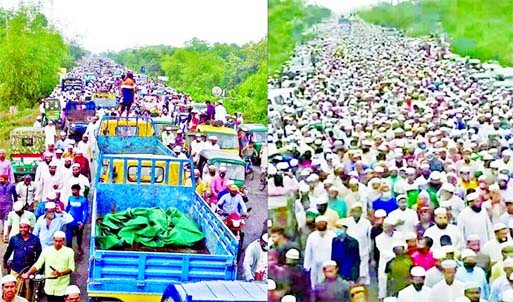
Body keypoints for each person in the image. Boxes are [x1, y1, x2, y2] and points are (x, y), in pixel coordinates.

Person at [21, 231, 75, 302]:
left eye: (60, 241)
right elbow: (38, 264)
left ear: (64, 241)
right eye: (56, 241)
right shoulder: (46, 250)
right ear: (53, 240)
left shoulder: (69, 251)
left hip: (62, 286)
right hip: (49, 286)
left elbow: (71, 268)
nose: (57, 243)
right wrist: (28, 273)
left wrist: (61, 273)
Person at [3, 219, 41, 300]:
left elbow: (39, 254)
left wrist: (35, 267)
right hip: (16, 269)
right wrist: (5, 261)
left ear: (29, 228)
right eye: (21, 227)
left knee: (28, 291)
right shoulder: (14, 238)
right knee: (13, 289)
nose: (22, 229)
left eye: (25, 227)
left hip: (29, 269)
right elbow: (8, 251)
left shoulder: (35, 239)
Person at [304, 215, 337, 289]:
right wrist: (306, 266)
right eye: (319, 223)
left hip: (329, 266)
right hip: (315, 266)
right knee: (315, 286)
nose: (321, 225)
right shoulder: (312, 236)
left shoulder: (333, 235)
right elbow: (308, 252)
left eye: (323, 223)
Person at [331, 218, 360, 282]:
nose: (338, 230)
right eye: (337, 228)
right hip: (338, 273)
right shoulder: (334, 241)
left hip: (349, 273)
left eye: (340, 228)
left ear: (345, 229)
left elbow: (356, 260)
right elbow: (333, 257)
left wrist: (355, 275)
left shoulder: (353, 242)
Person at [65, 184, 88, 255]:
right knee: (68, 237)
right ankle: (69, 251)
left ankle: (79, 247)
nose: (73, 191)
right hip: (70, 221)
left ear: (78, 190)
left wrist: (83, 223)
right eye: (72, 190)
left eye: (74, 190)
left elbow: (86, 212)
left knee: (79, 236)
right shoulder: (70, 198)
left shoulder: (83, 200)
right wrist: (64, 217)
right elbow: (67, 208)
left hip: (79, 222)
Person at [0, 174, 17, 240]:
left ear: (6, 179)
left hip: (8, 205)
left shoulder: (12, 186)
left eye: (1, 179)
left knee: (6, 219)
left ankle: (5, 235)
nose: (0, 180)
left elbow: (15, 195)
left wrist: (15, 204)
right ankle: (4, 229)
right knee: (2, 218)